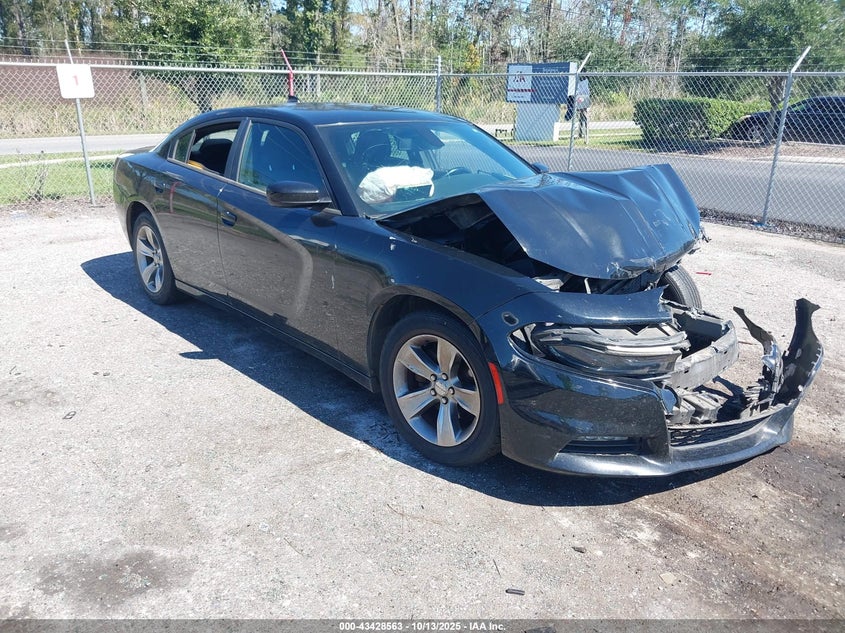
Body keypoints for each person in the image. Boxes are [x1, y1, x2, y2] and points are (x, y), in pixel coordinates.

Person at [574, 76, 590, 144]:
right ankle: (580, 133)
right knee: (580, 117)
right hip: (580, 98)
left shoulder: (585, 82)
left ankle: (586, 135)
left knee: (584, 116)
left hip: (584, 98)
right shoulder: (579, 82)